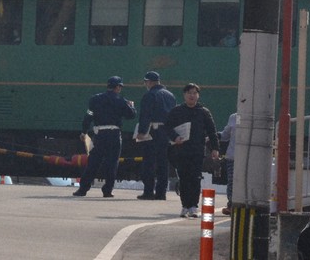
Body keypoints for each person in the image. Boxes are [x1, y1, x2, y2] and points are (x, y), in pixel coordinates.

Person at [73, 76, 136, 198]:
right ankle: (107, 190)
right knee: (112, 163)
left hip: (99, 135)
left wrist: (84, 132)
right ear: (117, 87)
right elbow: (131, 115)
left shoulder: (95, 99)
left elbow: (88, 116)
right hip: (114, 135)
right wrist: (132, 106)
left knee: (93, 162)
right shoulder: (121, 101)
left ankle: (83, 189)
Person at [164, 83, 219, 218]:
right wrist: (175, 137)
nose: (192, 96)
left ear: (198, 95)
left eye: (195, 93)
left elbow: (212, 131)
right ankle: (185, 205)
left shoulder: (203, 112)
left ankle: (194, 206)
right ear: (184, 95)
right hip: (181, 150)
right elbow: (167, 127)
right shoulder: (177, 111)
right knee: (183, 178)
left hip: (197, 151)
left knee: (195, 178)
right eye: (189, 93)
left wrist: (215, 148)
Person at [135, 71, 177, 200]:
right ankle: (161, 193)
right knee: (163, 164)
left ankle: (148, 191)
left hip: (152, 132)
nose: (145, 84)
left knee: (149, 163)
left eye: (146, 82)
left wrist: (141, 132)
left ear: (149, 82)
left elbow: (145, 115)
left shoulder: (150, 95)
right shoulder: (170, 95)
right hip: (166, 132)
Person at [220, 112, 237, 215]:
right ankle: (231, 205)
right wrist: (214, 136)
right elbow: (225, 135)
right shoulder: (233, 117)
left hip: (250, 157)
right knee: (231, 181)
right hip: (232, 156)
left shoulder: (257, 117)